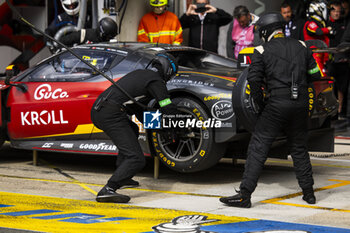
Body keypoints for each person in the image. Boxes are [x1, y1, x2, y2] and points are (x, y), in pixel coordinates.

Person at [219, 12, 323, 208]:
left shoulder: (260, 50)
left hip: (276, 105)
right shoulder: (302, 46)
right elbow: (315, 75)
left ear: (265, 31)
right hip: (300, 104)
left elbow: (254, 81)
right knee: (299, 149)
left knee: (258, 147)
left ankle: (244, 195)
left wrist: (261, 106)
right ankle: (309, 193)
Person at [91, 53, 179, 203]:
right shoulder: (156, 81)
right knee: (136, 159)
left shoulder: (142, 75)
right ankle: (109, 189)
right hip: (111, 114)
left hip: (99, 110)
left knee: (132, 129)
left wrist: (160, 129)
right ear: (168, 71)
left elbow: (141, 113)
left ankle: (123, 175)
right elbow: (167, 108)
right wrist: (179, 125)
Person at [327, 0, 348, 116]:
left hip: (342, 60)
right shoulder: (325, 24)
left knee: (342, 86)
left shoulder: (344, 24)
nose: (337, 13)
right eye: (334, 11)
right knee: (330, 84)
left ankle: (339, 110)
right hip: (329, 59)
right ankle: (331, 109)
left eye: (339, 11)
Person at [304, 0, 333, 75]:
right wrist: (328, 30)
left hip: (324, 56)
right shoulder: (311, 23)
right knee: (320, 78)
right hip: (315, 56)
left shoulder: (321, 24)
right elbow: (317, 31)